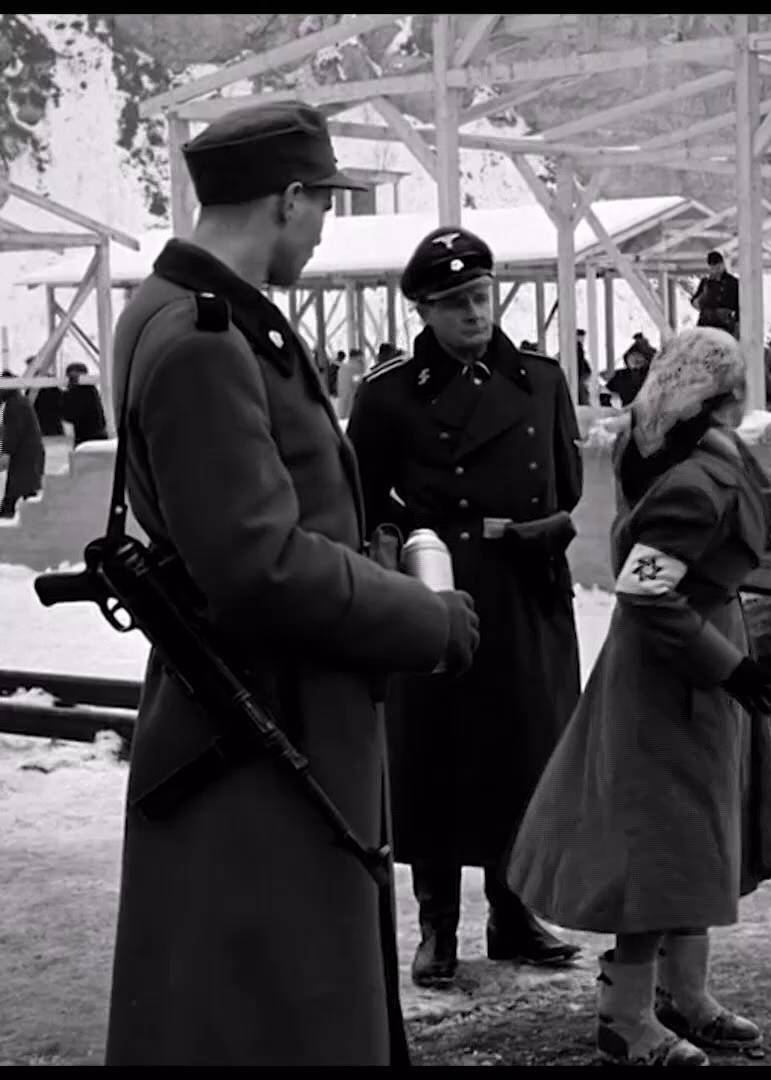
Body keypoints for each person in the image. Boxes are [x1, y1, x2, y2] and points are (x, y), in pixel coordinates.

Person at [100, 101, 480, 1066]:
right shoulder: (202, 338)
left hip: (266, 720)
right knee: (279, 1014)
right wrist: (423, 618)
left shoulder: (183, 313)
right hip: (267, 734)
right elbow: (258, 564)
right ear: (289, 198)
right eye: (323, 207)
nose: (323, 230)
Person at [507, 327, 771, 1067]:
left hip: (692, 665)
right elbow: (645, 592)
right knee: (658, 841)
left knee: (696, 834)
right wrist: (727, 666)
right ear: (727, 398)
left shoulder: (690, 460)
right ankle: (627, 1017)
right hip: (673, 676)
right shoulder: (699, 484)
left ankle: (682, 994)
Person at [346, 226, 586, 987]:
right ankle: (437, 927)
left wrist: (543, 531)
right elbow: (360, 500)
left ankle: (515, 914)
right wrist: (406, 556)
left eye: (480, 296)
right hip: (439, 588)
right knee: (438, 758)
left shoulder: (541, 378)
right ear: (422, 311)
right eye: (454, 304)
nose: (474, 314)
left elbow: (568, 478)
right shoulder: (389, 393)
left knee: (526, 752)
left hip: (525, 588)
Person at [1, 373, 45, 519]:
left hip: (24, 455)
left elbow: (13, 432)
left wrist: (6, 452)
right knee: (26, 489)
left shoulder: (15, 405)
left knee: (19, 489)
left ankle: (8, 513)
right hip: (30, 453)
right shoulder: (20, 402)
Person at [692, 251, 740, 338]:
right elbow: (695, 301)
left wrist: (737, 326)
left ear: (723, 265)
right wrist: (699, 300)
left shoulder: (733, 283)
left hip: (725, 325)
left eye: (717, 267)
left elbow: (738, 306)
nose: (715, 270)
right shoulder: (705, 282)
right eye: (712, 268)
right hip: (705, 324)